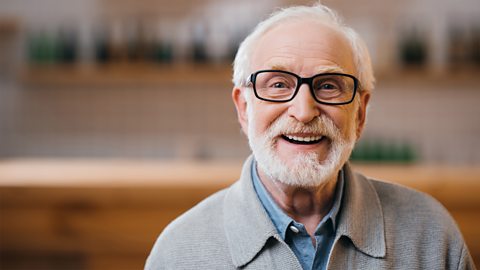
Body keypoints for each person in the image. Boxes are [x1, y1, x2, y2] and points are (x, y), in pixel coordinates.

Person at [145, 3, 475, 270]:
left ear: (359, 113)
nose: (303, 112)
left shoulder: (431, 237)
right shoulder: (179, 252)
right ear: (244, 108)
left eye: (328, 85)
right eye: (278, 84)